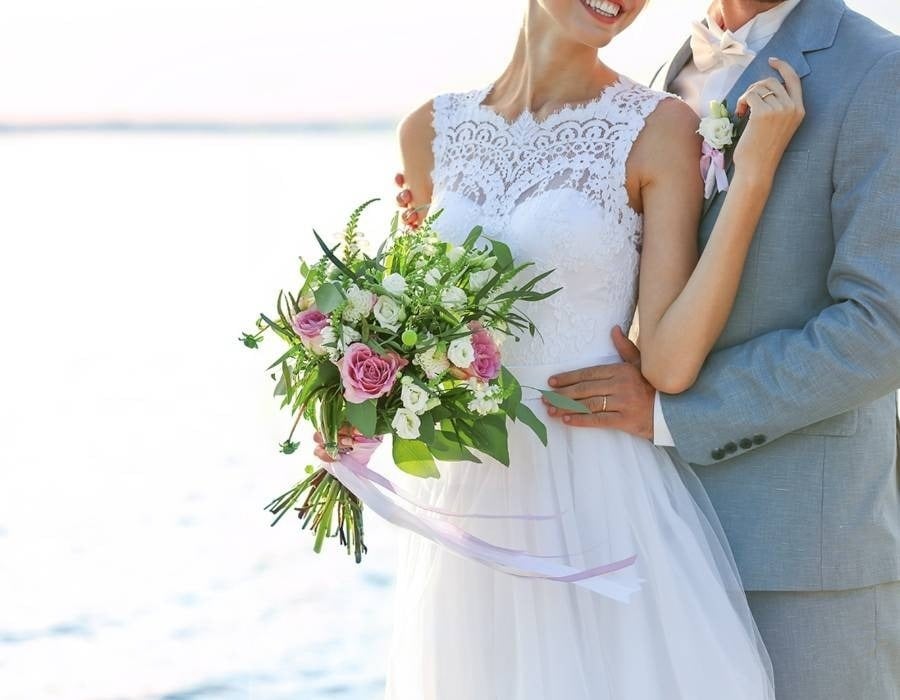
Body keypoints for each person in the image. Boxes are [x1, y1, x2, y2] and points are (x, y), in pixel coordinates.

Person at [386, 0, 809, 696]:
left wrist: (752, 177)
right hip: (471, 500)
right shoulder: (429, 130)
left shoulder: (657, 126)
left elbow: (669, 360)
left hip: (597, 496)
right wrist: (354, 395)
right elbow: (424, 329)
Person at [536, 1, 900, 698]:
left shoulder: (881, 72)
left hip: (802, 565)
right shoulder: (661, 73)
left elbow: (882, 327)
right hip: (646, 541)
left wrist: (679, 415)